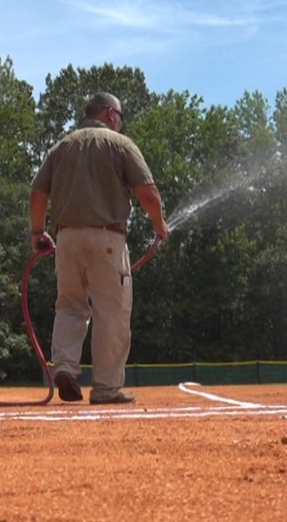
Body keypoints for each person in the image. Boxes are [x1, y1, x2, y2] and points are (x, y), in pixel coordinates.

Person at [29, 91, 169, 405]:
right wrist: (160, 226)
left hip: (66, 240)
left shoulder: (61, 147)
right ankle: (106, 388)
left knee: (69, 306)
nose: (120, 122)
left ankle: (65, 366)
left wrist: (37, 233)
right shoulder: (120, 145)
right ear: (109, 114)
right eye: (120, 116)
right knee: (111, 312)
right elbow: (148, 194)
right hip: (107, 239)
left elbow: (37, 194)